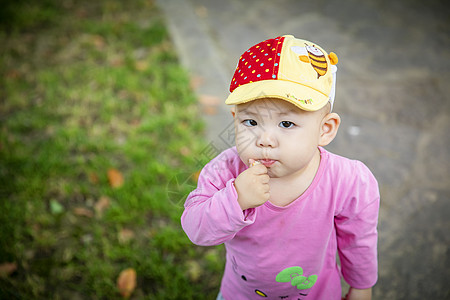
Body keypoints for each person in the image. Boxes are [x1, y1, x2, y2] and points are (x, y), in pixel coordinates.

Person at [181, 35, 379, 300]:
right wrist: (235, 199)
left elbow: (358, 240)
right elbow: (196, 229)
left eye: (286, 124)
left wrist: (361, 286)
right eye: (250, 122)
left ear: (325, 129)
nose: (264, 139)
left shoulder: (349, 181)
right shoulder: (225, 171)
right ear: (234, 120)